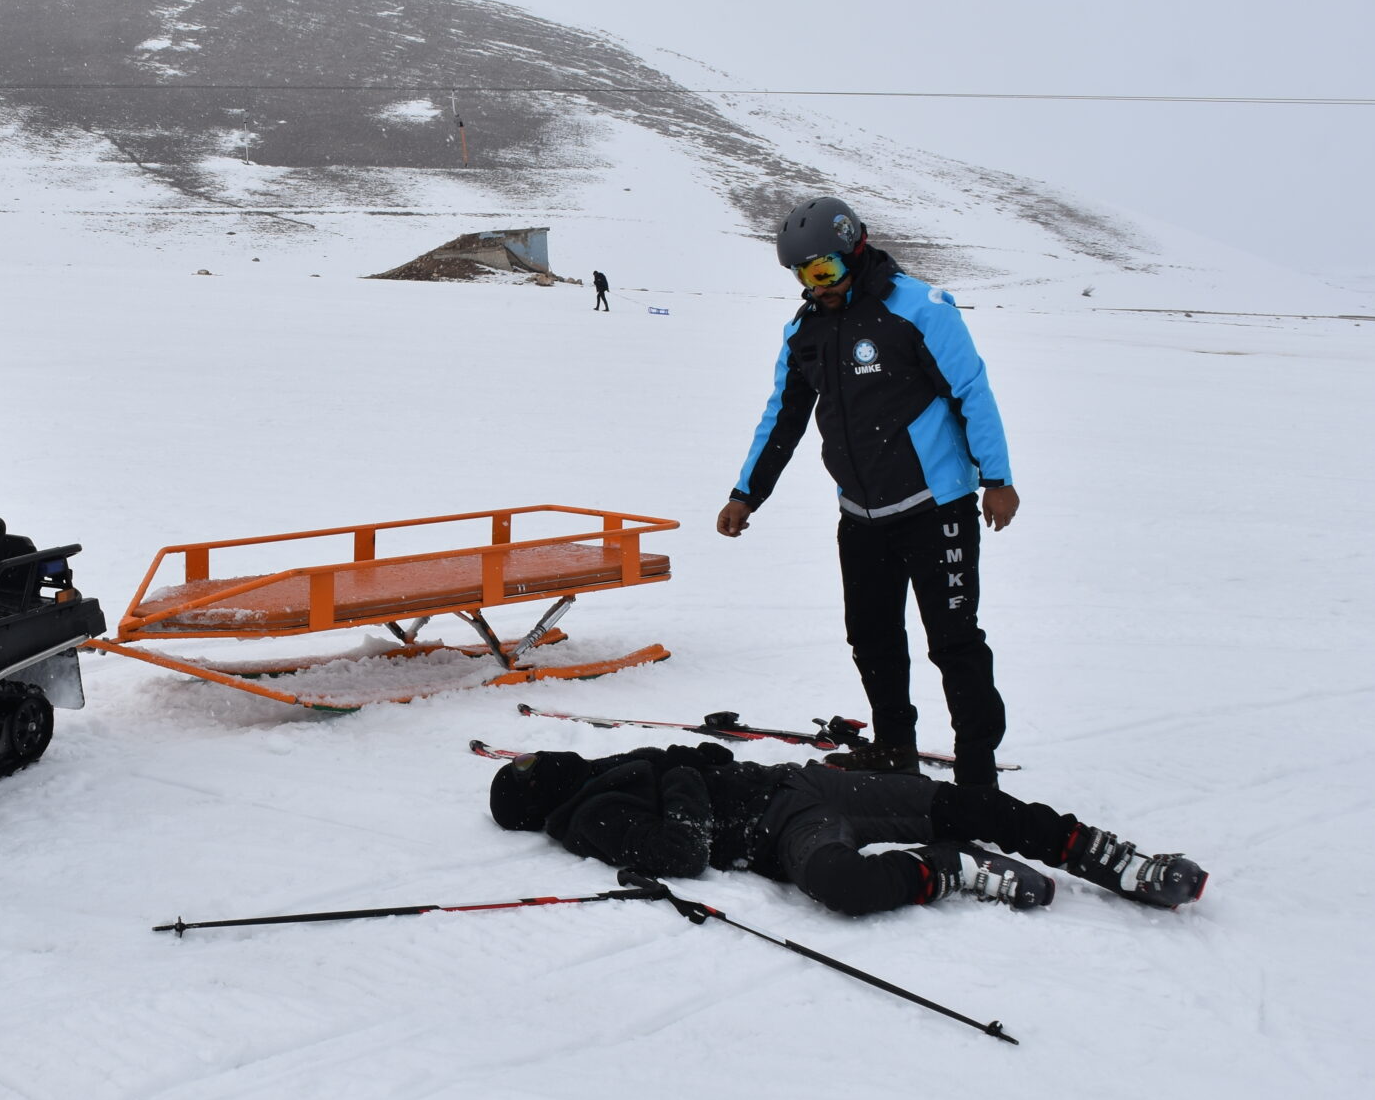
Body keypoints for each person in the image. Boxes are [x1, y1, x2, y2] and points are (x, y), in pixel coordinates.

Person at [718, 197, 1016, 786]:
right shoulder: (804, 332)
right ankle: (894, 746)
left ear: (855, 249)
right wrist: (746, 493)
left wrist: (997, 479)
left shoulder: (920, 309)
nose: (816, 287)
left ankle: (977, 771)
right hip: (860, 514)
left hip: (937, 507)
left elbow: (972, 393)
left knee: (954, 643)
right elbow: (783, 416)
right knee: (873, 638)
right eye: (804, 276)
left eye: (825, 271)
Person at [489, 743, 1207, 915]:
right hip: (781, 827)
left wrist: (686, 763)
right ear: (535, 796)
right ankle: (950, 869)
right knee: (842, 885)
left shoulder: (600, 768)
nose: (536, 757)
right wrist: (678, 776)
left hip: (801, 781)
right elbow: (684, 848)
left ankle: (1112, 858)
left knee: (965, 799)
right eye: (525, 768)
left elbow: (698, 760)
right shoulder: (589, 818)